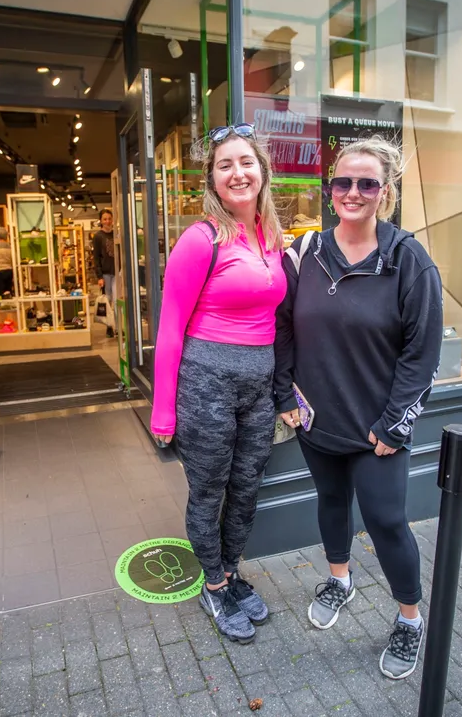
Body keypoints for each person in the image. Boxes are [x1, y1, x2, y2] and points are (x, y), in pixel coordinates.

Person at [275, 135, 443, 680]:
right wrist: (285, 396)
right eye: (343, 181)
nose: (353, 192)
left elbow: (422, 353)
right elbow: (281, 332)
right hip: (317, 419)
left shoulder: (408, 259)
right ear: (330, 188)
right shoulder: (305, 253)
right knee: (330, 502)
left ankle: (410, 619)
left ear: (384, 192)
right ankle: (340, 579)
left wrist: (394, 424)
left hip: (378, 430)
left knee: (388, 521)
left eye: (366, 183)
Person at [150, 123, 286, 643]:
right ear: (212, 178)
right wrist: (164, 414)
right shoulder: (199, 238)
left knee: (247, 490)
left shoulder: (272, 238)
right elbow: (168, 329)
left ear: (261, 171)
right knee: (209, 491)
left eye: (245, 162)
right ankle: (212, 583)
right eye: (225, 164)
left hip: (258, 385)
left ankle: (230, 570)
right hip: (206, 382)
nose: (238, 172)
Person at [93, 209, 116, 336]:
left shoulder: (116, 234)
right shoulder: (98, 236)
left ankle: (117, 327)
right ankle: (109, 326)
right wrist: (99, 276)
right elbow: (96, 257)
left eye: (109, 218)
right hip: (106, 273)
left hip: (117, 272)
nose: (107, 221)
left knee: (118, 301)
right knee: (108, 301)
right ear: (101, 221)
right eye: (105, 219)